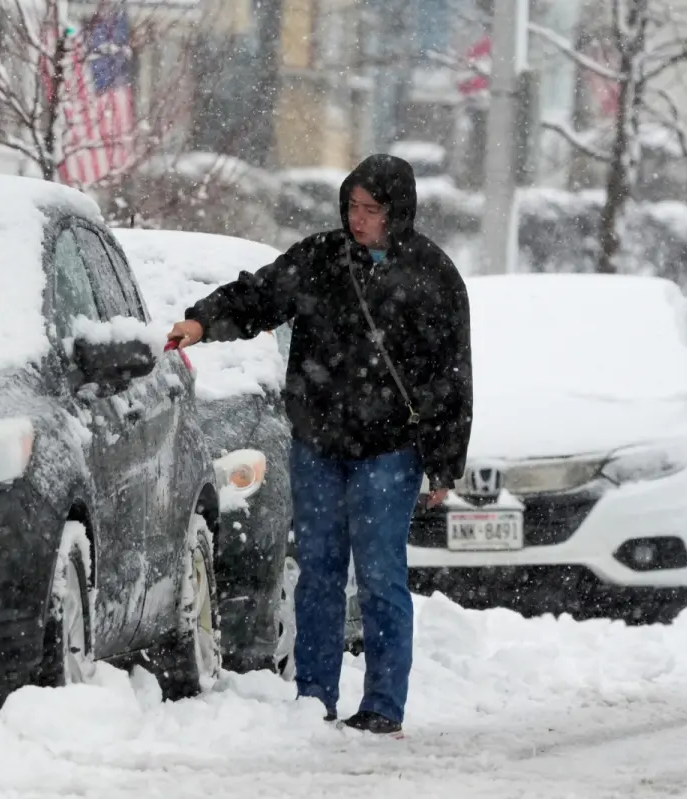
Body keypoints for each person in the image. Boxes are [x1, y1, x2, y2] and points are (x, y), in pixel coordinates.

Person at [167, 154, 473, 735]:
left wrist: (443, 463)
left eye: (371, 210)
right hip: (319, 443)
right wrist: (202, 322)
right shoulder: (321, 259)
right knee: (319, 574)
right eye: (352, 207)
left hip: (390, 451)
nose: (358, 220)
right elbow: (259, 296)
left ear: (398, 212)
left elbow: (451, 377)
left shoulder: (433, 275)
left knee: (380, 576)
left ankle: (383, 704)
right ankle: (314, 698)